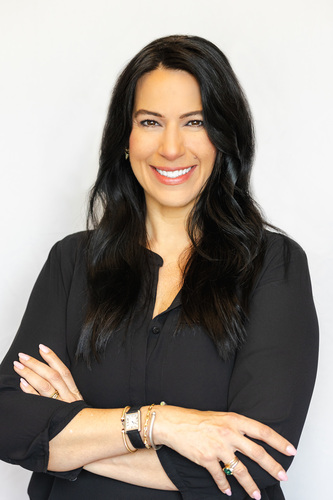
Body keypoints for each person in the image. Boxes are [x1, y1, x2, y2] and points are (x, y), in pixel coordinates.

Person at [0, 35, 318, 500]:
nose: (171, 147)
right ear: (125, 139)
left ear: (224, 139)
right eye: (150, 121)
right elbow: (10, 422)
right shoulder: (71, 262)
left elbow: (252, 460)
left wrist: (77, 430)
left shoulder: (274, 266)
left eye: (195, 122)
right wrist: (161, 423)